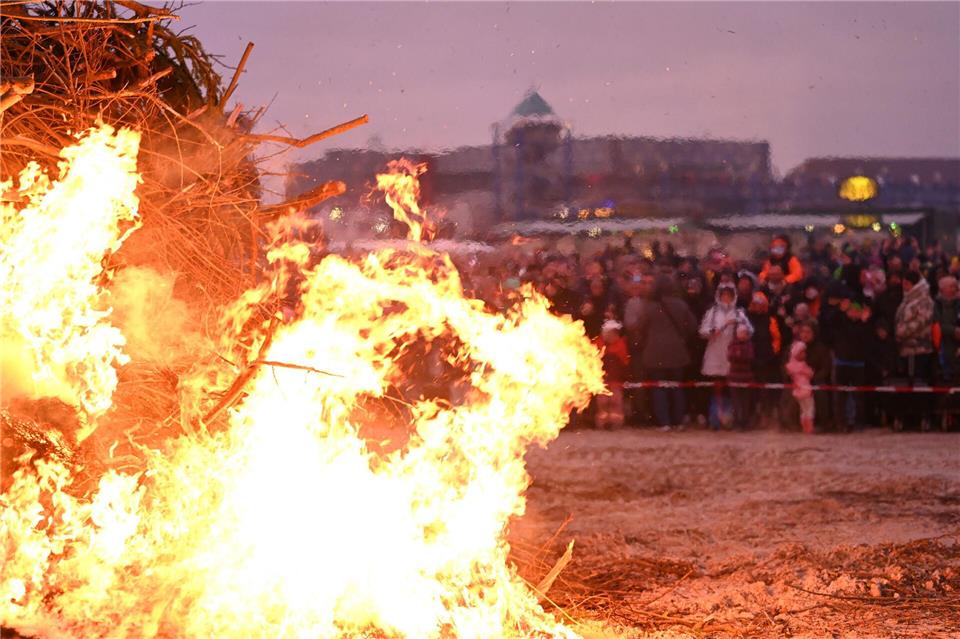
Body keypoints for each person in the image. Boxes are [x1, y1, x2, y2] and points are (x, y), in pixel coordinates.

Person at [629, 274, 698, 429]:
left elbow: (639, 326)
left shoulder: (650, 307)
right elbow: (692, 326)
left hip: (654, 353)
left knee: (659, 389)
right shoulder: (681, 305)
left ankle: (664, 422)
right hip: (677, 353)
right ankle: (678, 421)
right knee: (676, 388)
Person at [699, 283, 753, 429]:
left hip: (734, 357)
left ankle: (731, 420)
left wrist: (740, 328)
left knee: (732, 390)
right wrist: (721, 327)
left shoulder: (739, 312)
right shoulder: (712, 312)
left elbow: (749, 330)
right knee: (716, 387)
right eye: (724, 295)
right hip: (715, 353)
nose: (726, 298)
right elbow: (703, 331)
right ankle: (715, 418)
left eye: (729, 295)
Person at [594, 320, 630, 429]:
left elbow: (625, 362)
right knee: (602, 403)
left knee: (616, 403)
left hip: (616, 380)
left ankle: (616, 424)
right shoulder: (597, 344)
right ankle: (602, 424)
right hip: (601, 381)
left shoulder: (621, 344)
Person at [727, 323, 756, 430]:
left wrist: (739, 354)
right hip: (734, 377)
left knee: (745, 402)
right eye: (741, 333)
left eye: (745, 333)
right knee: (736, 402)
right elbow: (730, 357)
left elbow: (749, 357)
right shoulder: (732, 344)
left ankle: (745, 423)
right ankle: (736, 422)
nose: (743, 335)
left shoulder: (749, 345)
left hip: (746, 377)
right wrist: (738, 355)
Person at [785, 340, 815, 434]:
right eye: (802, 352)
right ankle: (809, 428)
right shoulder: (802, 365)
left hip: (797, 391)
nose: (804, 354)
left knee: (803, 410)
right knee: (809, 409)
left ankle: (804, 428)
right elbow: (810, 374)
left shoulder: (790, 365)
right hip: (805, 390)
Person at [934, 276, 960, 384]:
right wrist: (954, 330)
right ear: (942, 289)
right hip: (942, 346)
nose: (954, 289)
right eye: (951, 287)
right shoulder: (936, 304)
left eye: (955, 286)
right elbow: (937, 324)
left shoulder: (958, 303)